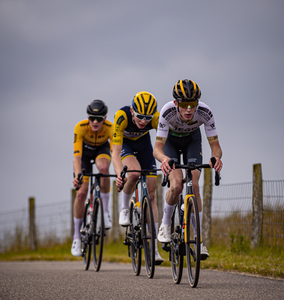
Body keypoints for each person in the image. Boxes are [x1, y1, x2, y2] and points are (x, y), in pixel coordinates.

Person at [153, 79, 223, 259]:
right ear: (176, 103)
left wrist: (216, 157)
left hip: (192, 140)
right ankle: (166, 223)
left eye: (193, 104)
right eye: (184, 105)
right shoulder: (167, 112)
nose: (189, 110)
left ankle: (199, 243)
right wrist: (165, 159)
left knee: (195, 185)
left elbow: (215, 146)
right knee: (176, 185)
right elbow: (157, 150)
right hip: (171, 143)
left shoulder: (206, 113)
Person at [113, 91, 164, 265]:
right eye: (140, 116)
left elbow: (166, 142)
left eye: (147, 118)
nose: (143, 121)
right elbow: (115, 152)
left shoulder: (156, 118)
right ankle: (125, 208)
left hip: (144, 146)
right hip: (125, 146)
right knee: (134, 173)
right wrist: (120, 172)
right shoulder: (122, 116)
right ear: (133, 111)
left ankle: (154, 249)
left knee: (151, 195)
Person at [71, 99, 114, 257]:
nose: (95, 122)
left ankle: (105, 212)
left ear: (105, 118)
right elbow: (76, 157)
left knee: (103, 169)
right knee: (81, 193)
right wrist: (77, 175)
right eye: (92, 118)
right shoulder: (80, 127)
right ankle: (76, 236)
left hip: (101, 150)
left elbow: (115, 152)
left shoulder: (110, 128)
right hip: (84, 155)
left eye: (99, 118)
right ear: (87, 117)